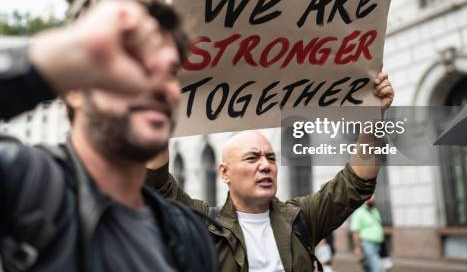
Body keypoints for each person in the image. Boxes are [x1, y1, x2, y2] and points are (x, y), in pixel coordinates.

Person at [0, 0, 218, 272]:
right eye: (136, 65)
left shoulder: (188, 234)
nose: (158, 84)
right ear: (74, 90)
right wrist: (49, 62)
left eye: (171, 72)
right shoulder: (13, 184)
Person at [146, 72, 394, 272]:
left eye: (271, 158)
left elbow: (356, 183)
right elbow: (156, 184)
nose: (265, 165)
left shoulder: (302, 217)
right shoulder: (205, 225)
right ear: (224, 173)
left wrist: (374, 118)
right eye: (252, 158)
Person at [351, 195, 384, 272]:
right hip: (367, 245)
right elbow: (355, 231)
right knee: (377, 268)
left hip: (378, 244)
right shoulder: (359, 212)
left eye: (373, 197)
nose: (372, 199)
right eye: (370, 197)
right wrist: (358, 248)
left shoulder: (374, 210)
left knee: (370, 269)